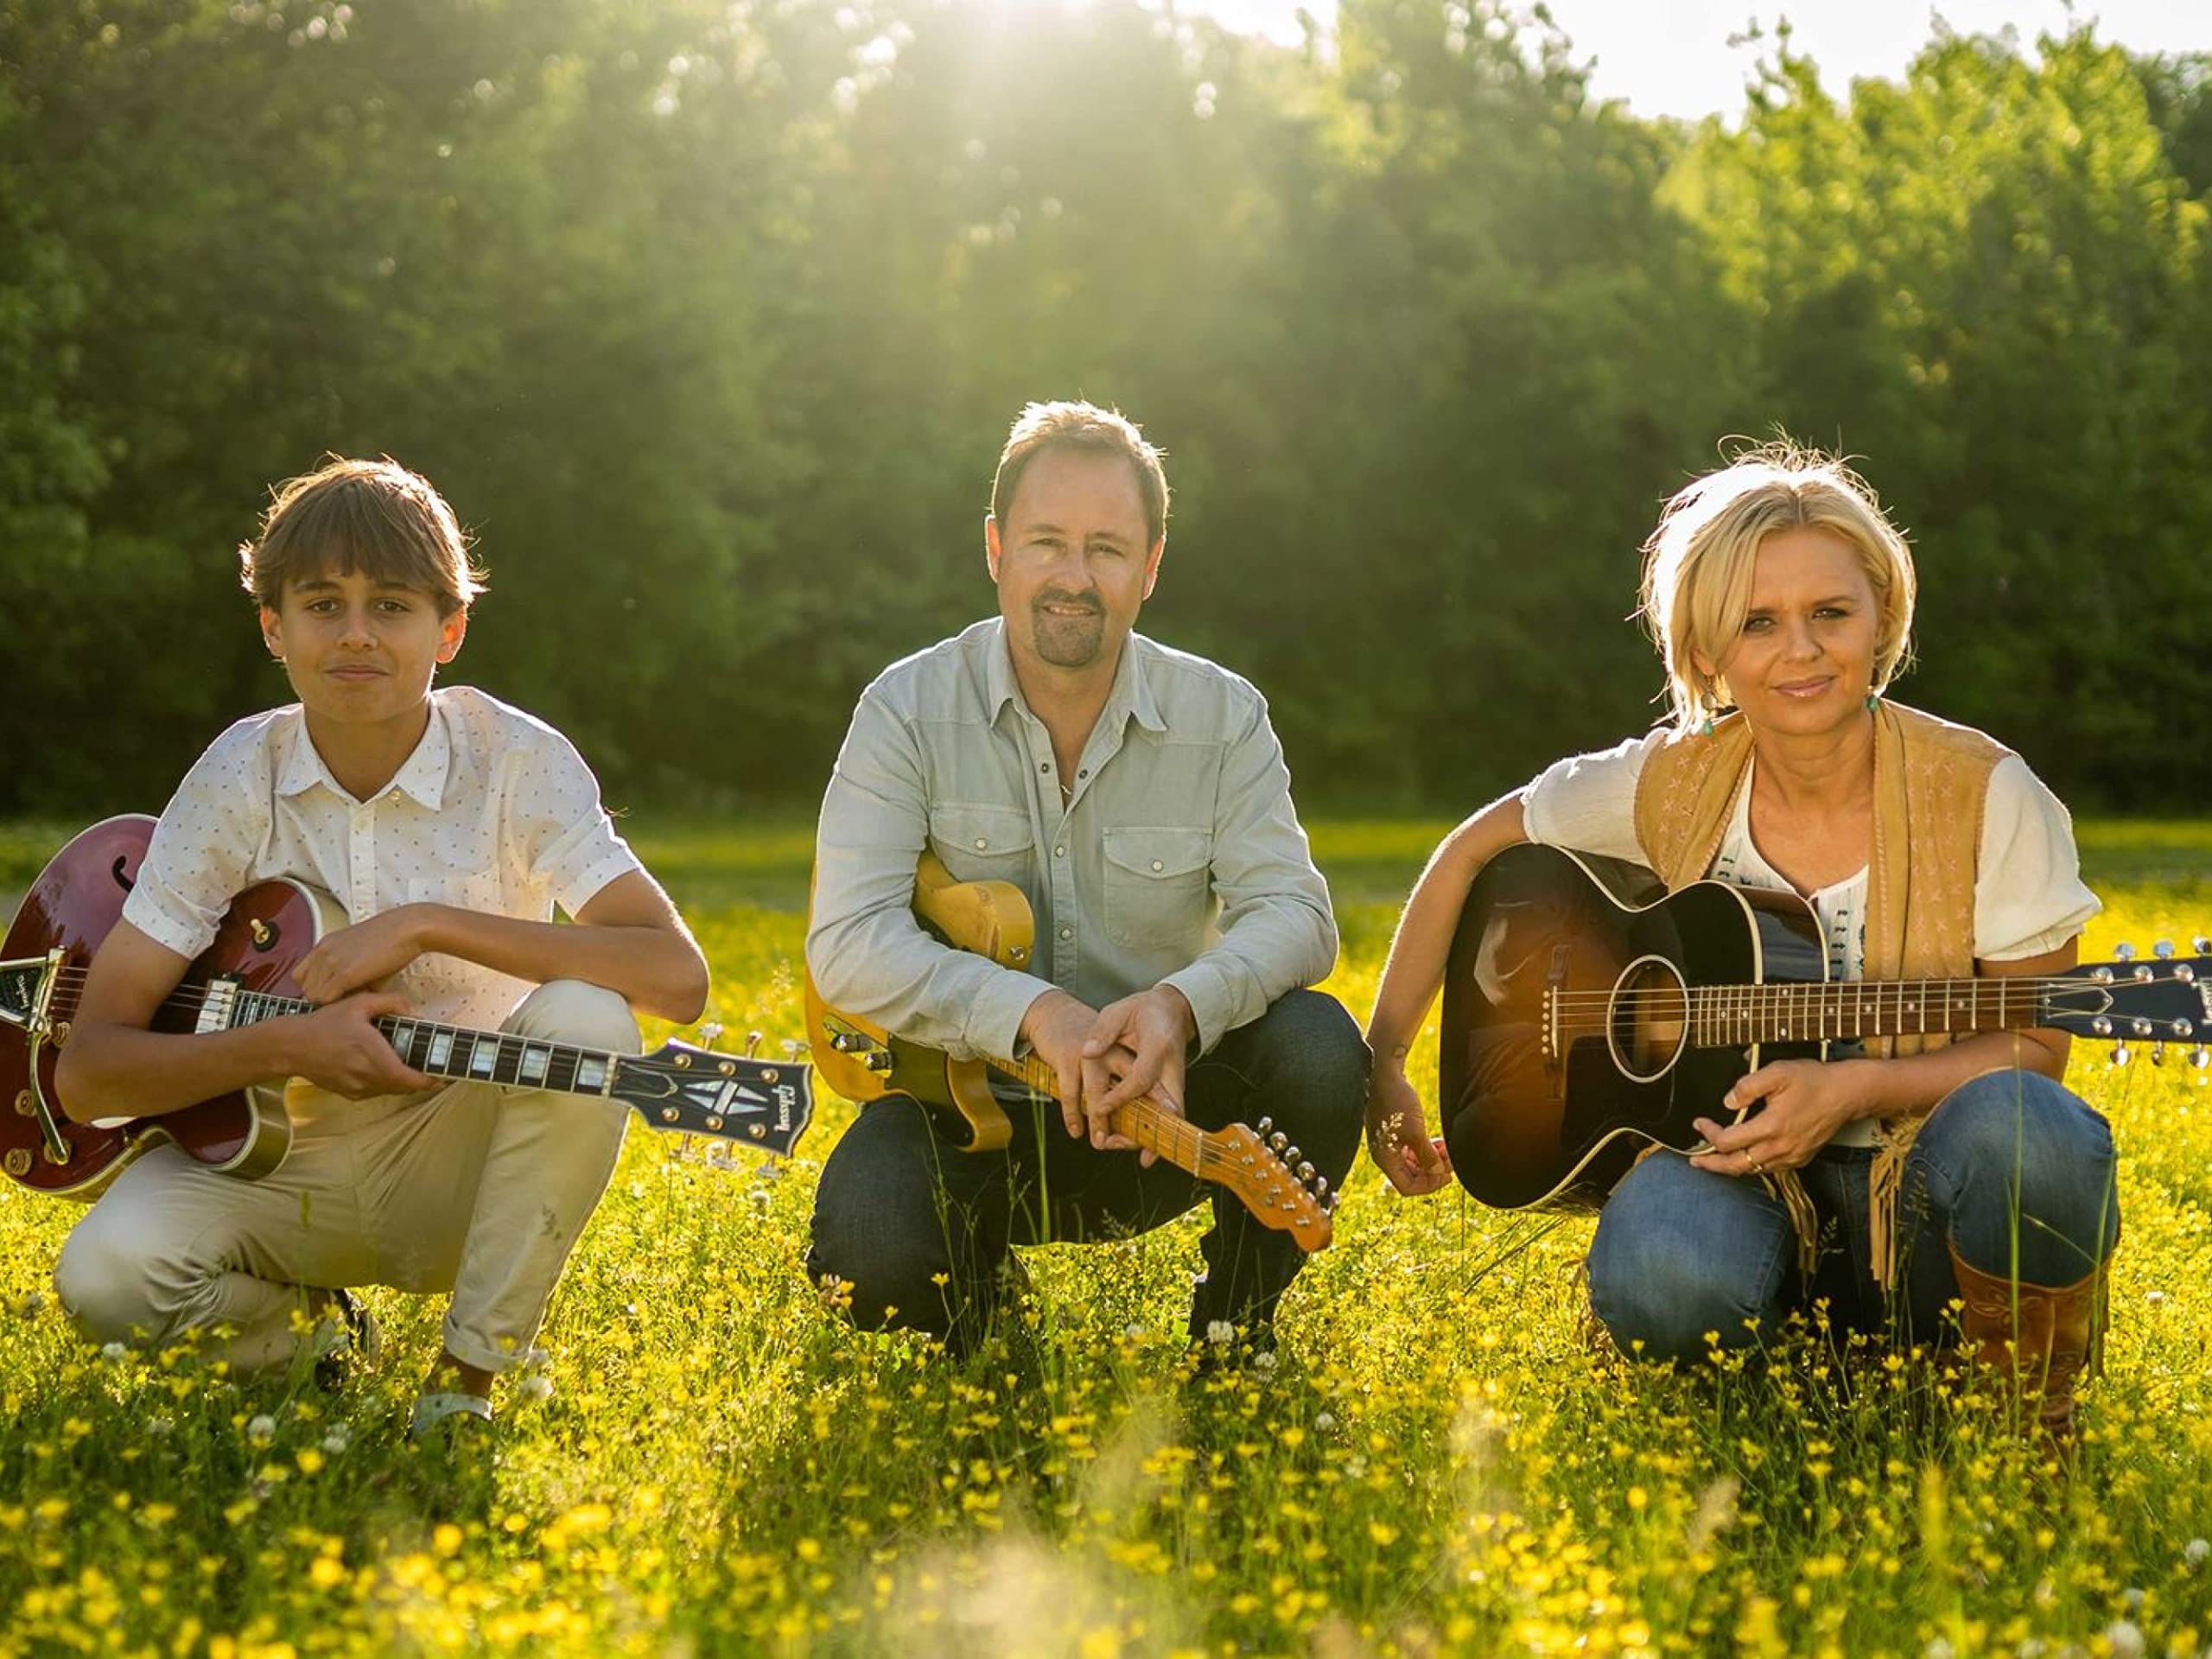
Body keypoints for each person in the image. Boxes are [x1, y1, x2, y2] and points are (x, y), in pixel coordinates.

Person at [1363, 441, 2117, 1433]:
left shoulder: (1982, 792)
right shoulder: (1669, 780)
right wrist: (1385, 1057)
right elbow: (1470, 852)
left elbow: (2037, 1044)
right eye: (1756, 624)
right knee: (1663, 1266)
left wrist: (1850, 1089)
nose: (1798, 651)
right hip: (1725, 1169)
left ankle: (2021, 1415)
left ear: (1882, 617)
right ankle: (1769, 1402)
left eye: (1830, 614)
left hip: (1923, 1197)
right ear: (1708, 652)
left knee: (2036, 1134)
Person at [53, 456, 709, 1438]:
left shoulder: (515, 757)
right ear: (274, 627)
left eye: (391, 605)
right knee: (103, 1280)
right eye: (324, 602)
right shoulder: (240, 773)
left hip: (460, 1163)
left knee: (587, 1017)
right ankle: (313, 1342)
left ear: (448, 630)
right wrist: (288, 1049)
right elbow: (91, 1071)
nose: (356, 632)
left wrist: (424, 923)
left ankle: (468, 1379)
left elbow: (677, 979)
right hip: (263, 1162)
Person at [805, 400, 1367, 1355]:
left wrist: (1176, 1011)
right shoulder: (904, 709)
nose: (1073, 578)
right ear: (994, 549)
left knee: (1317, 1046)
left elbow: (1298, 915)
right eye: (1046, 543)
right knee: (866, 1259)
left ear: (1150, 565)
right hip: (967, 1112)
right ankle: (988, 1313)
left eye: (1107, 548)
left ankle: (1236, 1326)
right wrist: (1034, 1013)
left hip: (1168, 1117)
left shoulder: (1223, 717)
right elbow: (848, 945)